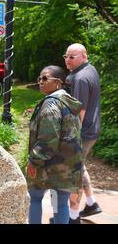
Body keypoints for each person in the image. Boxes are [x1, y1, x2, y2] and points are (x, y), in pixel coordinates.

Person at [27, 65, 83, 224]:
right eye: (39, 78)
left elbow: (48, 138)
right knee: (59, 203)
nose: (40, 82)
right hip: (67, 166)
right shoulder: (68, 103)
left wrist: (33, 161)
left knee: (35, 199)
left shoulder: (51, 104)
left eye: (45, 78)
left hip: (47, 165)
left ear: (58, 82)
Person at [64, 43, 102, 223]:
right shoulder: (90, 69)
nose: (67, 60)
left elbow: (80, 111)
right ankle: (91, 203)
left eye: (72, 57)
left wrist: (71, 136)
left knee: (74, 173)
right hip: (91, 130)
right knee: (80, 167)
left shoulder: (80, 78)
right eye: (66, 56)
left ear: (83, 57)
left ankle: (73, 216)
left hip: (82, 133)